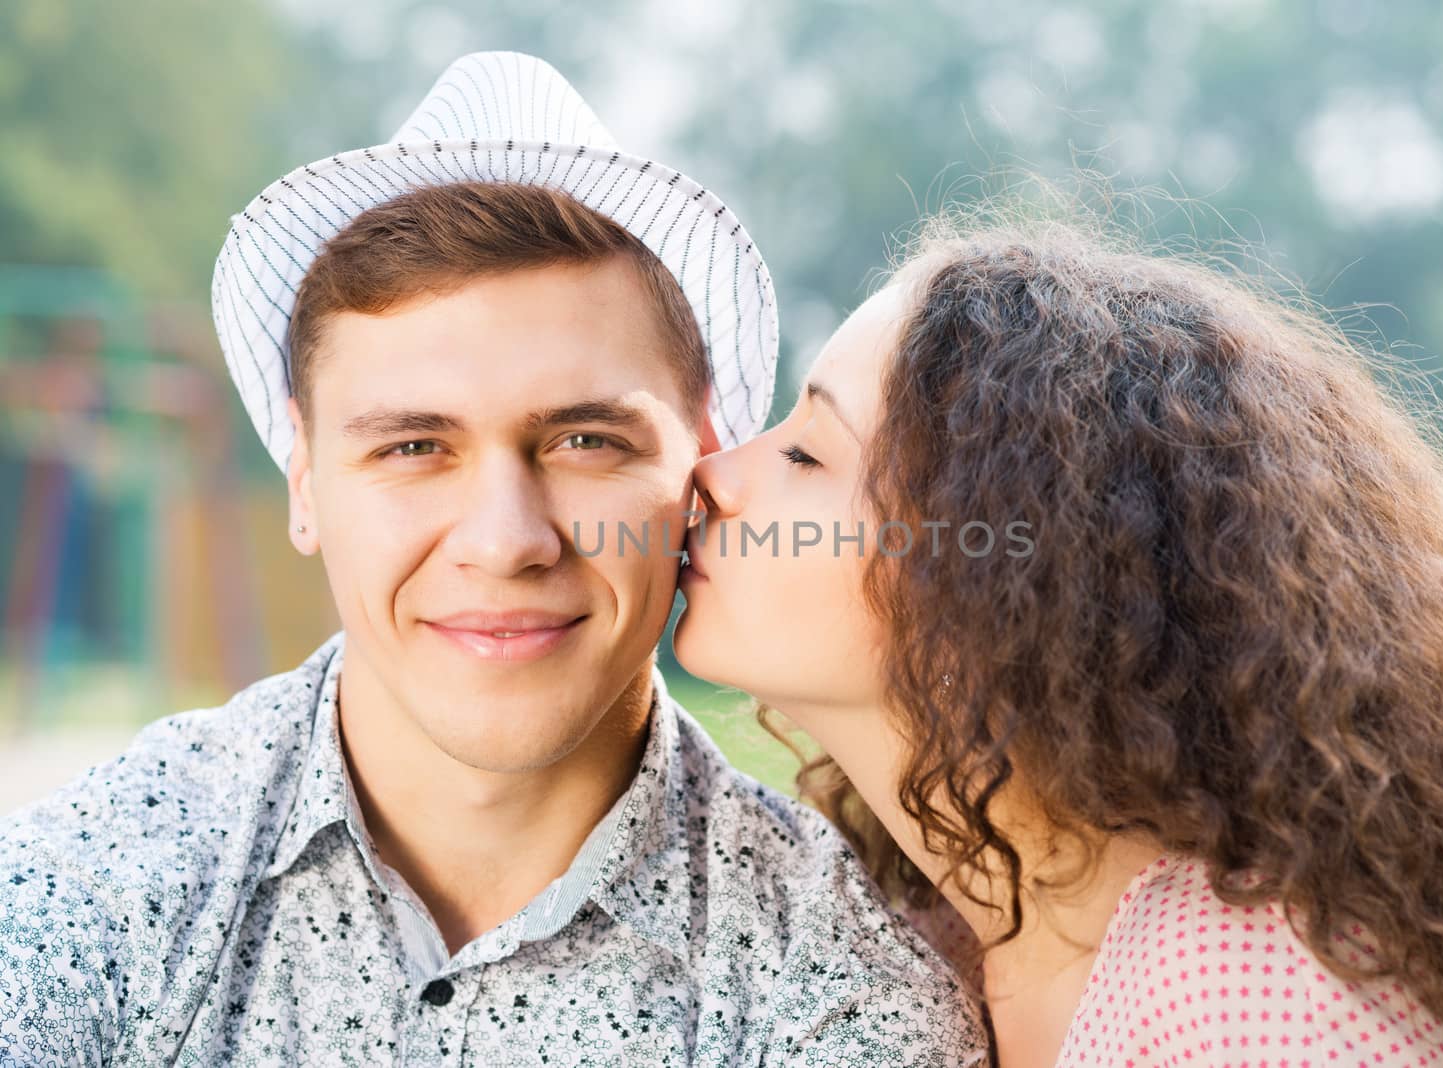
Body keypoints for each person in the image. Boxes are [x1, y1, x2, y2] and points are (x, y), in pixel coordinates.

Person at [0, 53, 987, 1066]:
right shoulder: (89, 894)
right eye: (412, 448)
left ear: (700, 459)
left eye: (584, 442)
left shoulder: (843, 998)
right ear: (303, 480)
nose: (505, 541)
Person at [673, 210, 1443, 1067]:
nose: (712, 474)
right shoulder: (928, 942)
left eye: (807, 454)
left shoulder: (1242, 1002)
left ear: (996, 583)